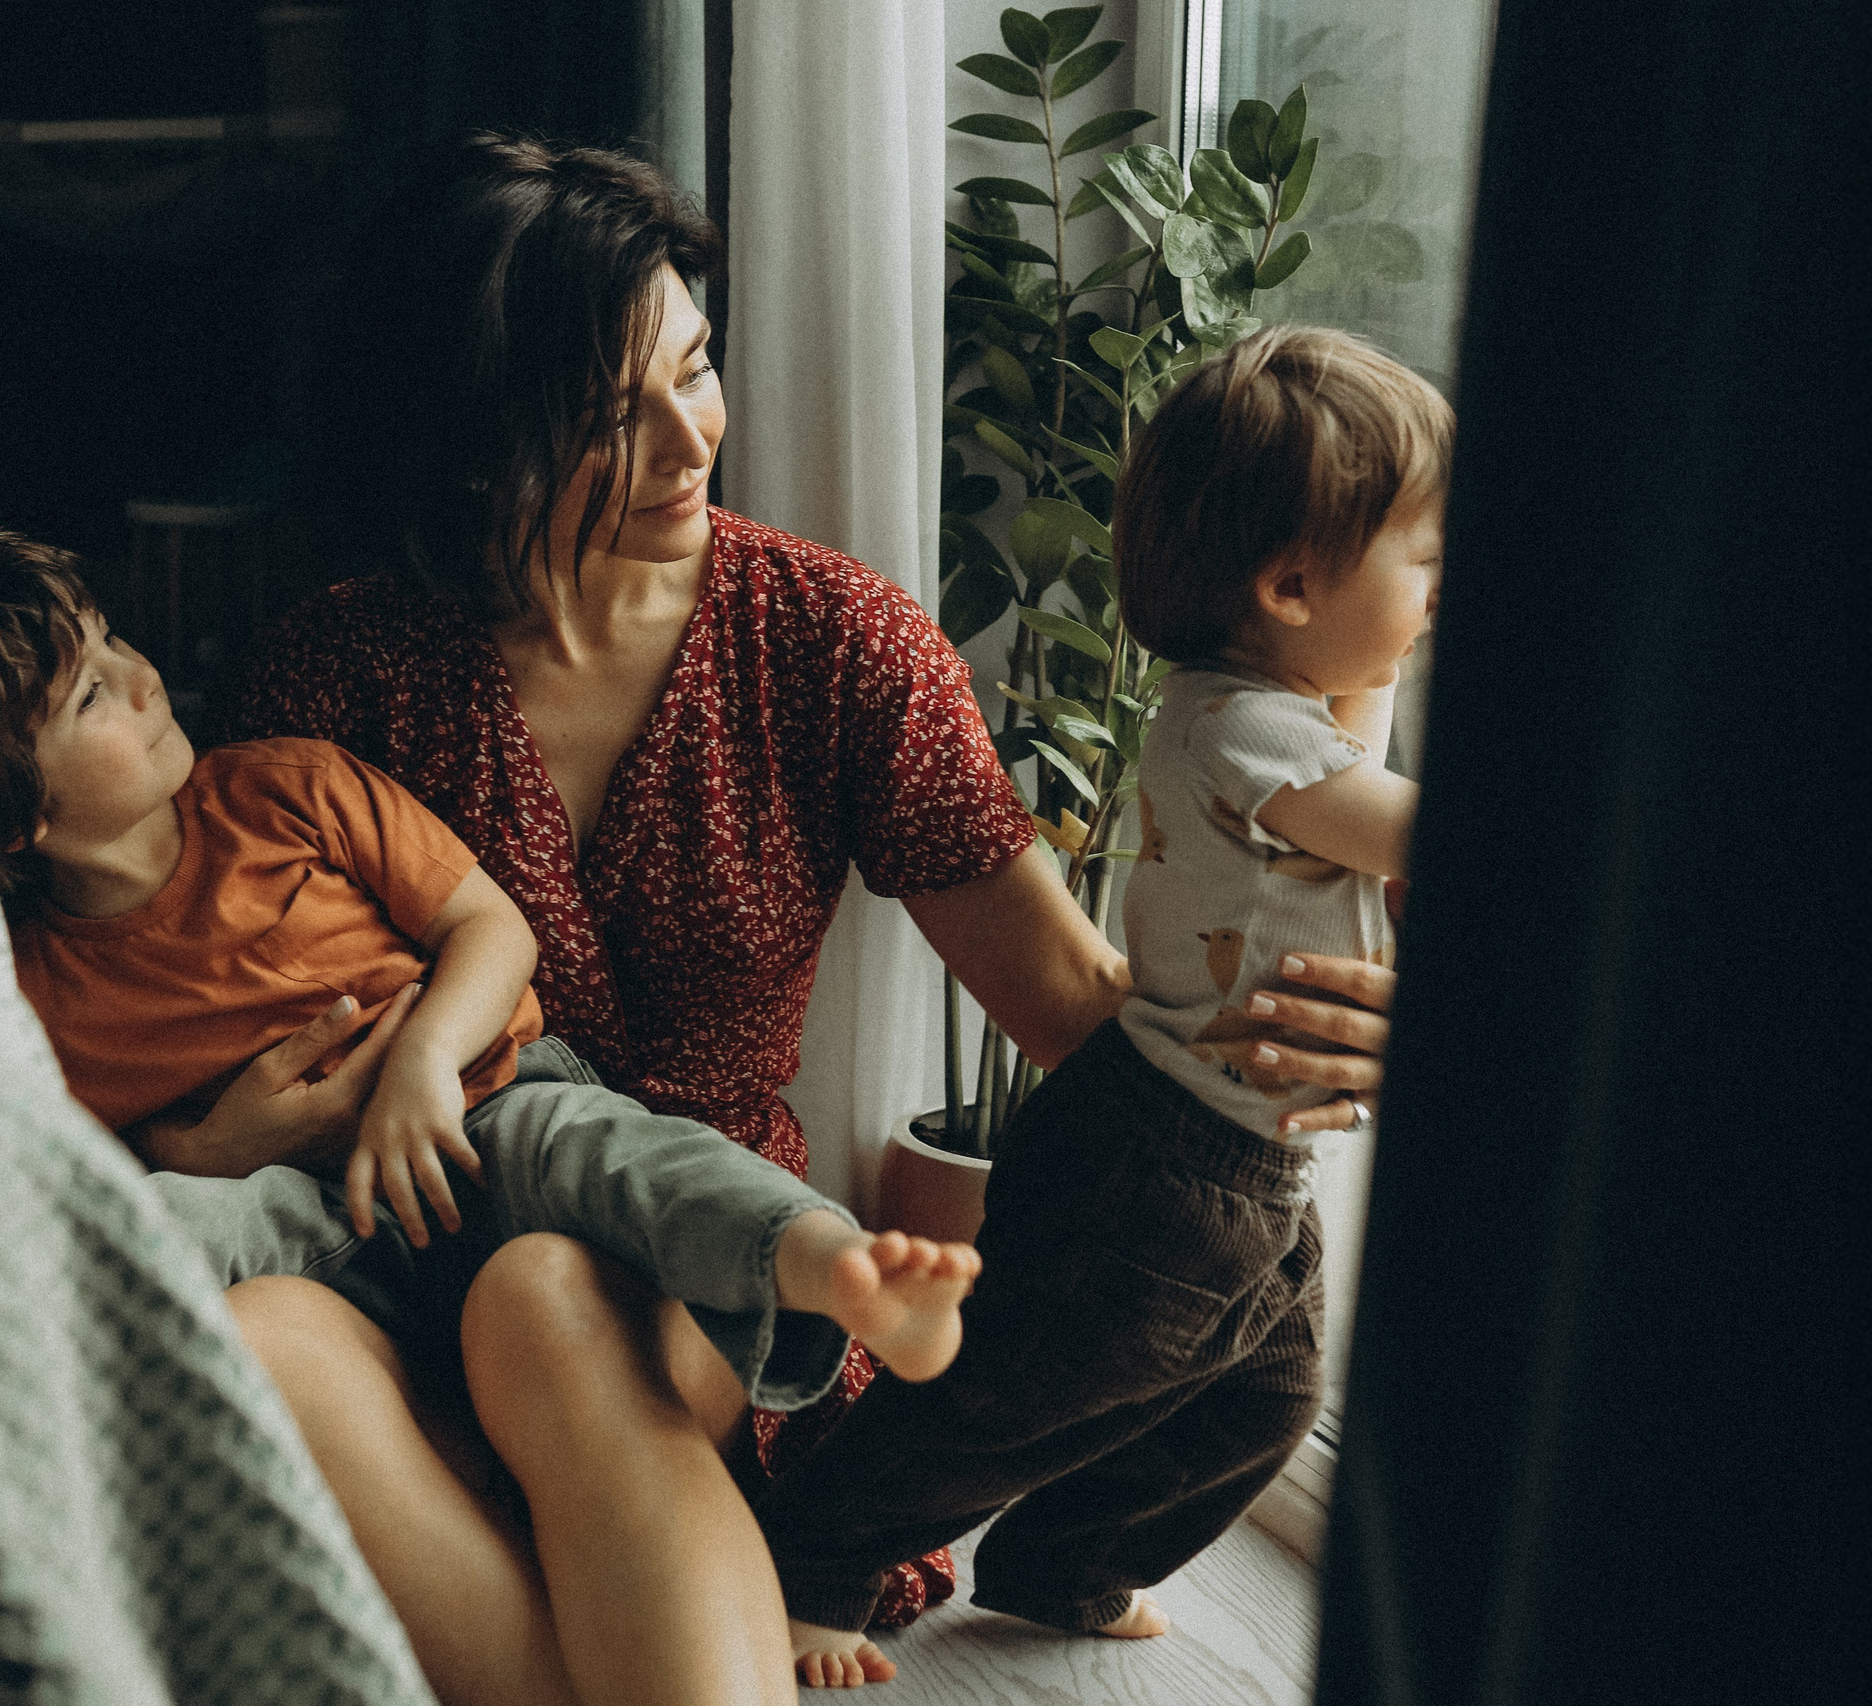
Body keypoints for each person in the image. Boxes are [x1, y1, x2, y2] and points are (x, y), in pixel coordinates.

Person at [219, 134, 1397, 1702]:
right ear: (476, 434)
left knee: (550, 1291)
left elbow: (1072, 1005)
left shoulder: (831, 639)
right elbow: (230, 1006)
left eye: (695, 368)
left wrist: (1281, 1040)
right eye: (609, 414)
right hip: (403, 1244)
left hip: (700, 1270)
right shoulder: (335, 673)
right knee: (262, 1328)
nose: (690, 438)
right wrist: (229, 1131)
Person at [0, 529, 983, 1705]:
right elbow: (75, 1185)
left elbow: (489, 929)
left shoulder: (286, 787)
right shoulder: (29, 988)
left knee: (603, 1167)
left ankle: (831, 1263)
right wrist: (210, 1150)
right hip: (324, 1232)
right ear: (15, 816)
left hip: (485, 1110)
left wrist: (425, 1059)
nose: (141, 671)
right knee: (150, 1234)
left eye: (112, 637)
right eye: (91, 691)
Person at [752, 325, 1449, 1686]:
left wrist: (1390, 636)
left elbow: (1357, 717)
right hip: (1167, 1166)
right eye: (1424, 560)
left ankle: (1067, 1560)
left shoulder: (1272, 705)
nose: (1439, 589)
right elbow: (1405, 820)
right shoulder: (1239, 730)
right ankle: (814, 1553)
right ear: (1290, 587)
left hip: (1238, 1159)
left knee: (1267, 1397)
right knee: (1016, 1392)